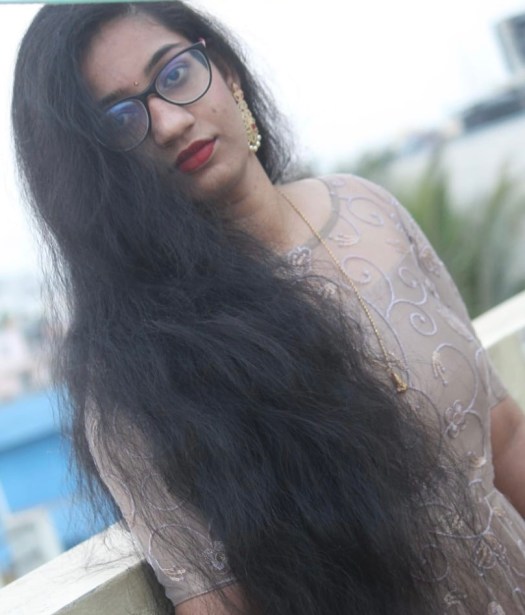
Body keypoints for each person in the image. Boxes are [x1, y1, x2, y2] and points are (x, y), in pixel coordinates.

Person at [12, 2, 525, 614]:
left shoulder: (368, 211)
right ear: (96, 171)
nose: (170, 123)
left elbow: (505, 436)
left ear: (225, 71)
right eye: (122, 120)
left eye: (175, 74)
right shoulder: (139, 377)